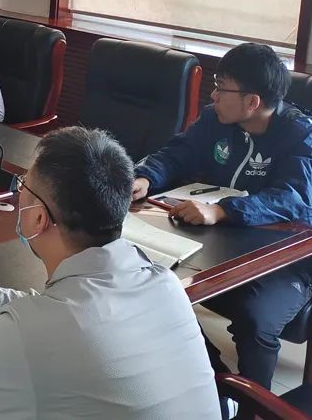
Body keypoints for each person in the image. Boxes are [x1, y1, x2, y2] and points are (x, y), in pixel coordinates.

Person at [0, 126, 220, 418]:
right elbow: (78, 313)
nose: (20, 194)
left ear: (38, 218)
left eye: (24, 186)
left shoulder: (30, 334)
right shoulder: (163, 282)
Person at [133, 42, 312, 388]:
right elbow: (179, 152)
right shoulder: (215, 119)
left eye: (221, 87)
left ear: (252, 102)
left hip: (286, 259)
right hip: (223, 245)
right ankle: (214, 380)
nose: (213, 95)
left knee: (256, 319)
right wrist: (145, 177)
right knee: (157, 283)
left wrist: (222, 211)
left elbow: (296, 199)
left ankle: (253, 404)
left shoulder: (301, 134)